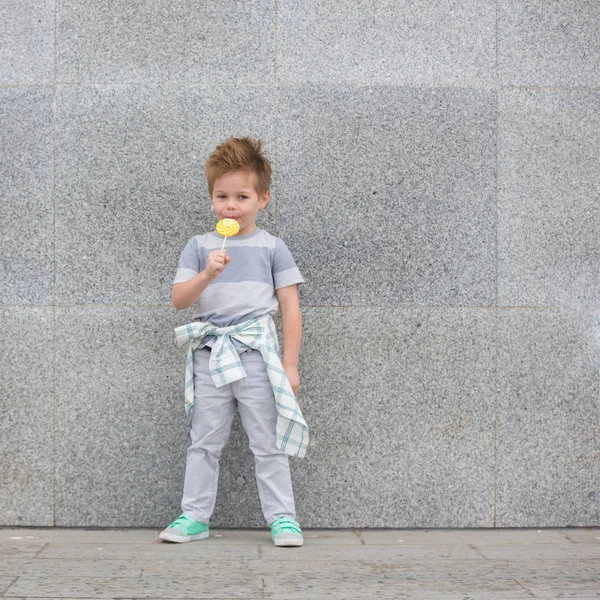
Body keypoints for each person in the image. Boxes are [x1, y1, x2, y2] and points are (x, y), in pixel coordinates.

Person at [159, 136, 308, 547]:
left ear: (262, 199)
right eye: (221, 196)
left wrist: (290, 365)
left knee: (267, 441)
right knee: (204, 440)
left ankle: (283, 518)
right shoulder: (200, 247)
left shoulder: (273, 248)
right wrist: (206, 274)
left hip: (257, 355)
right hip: (210, 355)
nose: (231, 205)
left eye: (242, 196)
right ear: (211, 199)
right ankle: (193, 515)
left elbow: (291, 309)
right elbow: (179, 300)